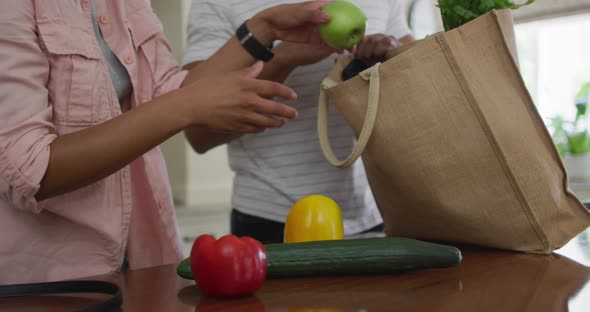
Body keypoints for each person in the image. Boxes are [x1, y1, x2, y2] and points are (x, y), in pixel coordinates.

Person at [0, 0, 342, 284]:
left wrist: (263, 30)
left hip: (142, 260)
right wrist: (185, 107)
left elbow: (170, 89)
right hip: (49, 280)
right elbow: (31, 167)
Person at [183, 0, 414, 243]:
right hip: (272, 221)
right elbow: (199, 134)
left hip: (377, 214)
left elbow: (419, 92)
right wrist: (283, 58)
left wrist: (392, 57)